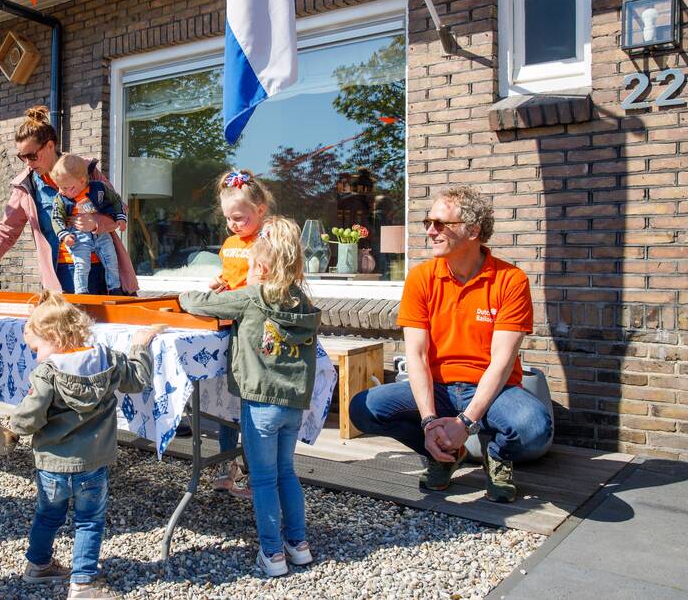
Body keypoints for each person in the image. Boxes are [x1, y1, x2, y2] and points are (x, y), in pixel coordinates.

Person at [349, 186, 552, 503]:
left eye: (441, 223)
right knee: (363, 409)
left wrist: (467, 422)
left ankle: (496, 456)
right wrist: (430, 424)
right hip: (439, 387)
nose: (430, 231)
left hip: (493, 389)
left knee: (534, 428)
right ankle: (444, 452)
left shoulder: (510, 280)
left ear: (473, 230)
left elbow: (500, 363)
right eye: (428, 222)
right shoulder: (421, 278)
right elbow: (415, 356)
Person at [179, 217, 320, 577]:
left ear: (261, 266)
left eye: (251, 266)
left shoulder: (252, 297)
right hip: (293, 404)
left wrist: (187, 294)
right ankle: (298, 545)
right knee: (286, 473)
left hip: (261, 404)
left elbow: (200, 303)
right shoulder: (303, 302)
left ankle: (272, 553)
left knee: (262, 479)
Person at [10, 292, 158, 600]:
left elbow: (26, 420)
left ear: (54, 336)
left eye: (36, 348)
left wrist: (15, 426)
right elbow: (138, 380)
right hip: (93, 462)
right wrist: (140, 346)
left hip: (52, 464)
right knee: (89, 521)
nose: (36, 356)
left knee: (47, 515)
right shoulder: (109, 359)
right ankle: (82, 583)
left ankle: (38, 564)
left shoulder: (46, 373)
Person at [0, 106, 137, 295]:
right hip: (64, 276)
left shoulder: (85, 169)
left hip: (106, 271)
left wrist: (97, 223)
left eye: (32, 155)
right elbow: (5, 233)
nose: (28, 162)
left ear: (50, 145)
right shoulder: (26, 186)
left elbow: (120, 209)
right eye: (22, 157)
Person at [208, 169, 274, 499]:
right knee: (226, 399)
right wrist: (221, 284)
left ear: (260, 209)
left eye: (240, 217)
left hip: (255, 326)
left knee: (250, 399)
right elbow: (230, 276)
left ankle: (253, 471)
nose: (233, 224)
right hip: (230, 323)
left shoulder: (268, 241)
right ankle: (225, 466)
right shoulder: (231, 243)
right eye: (229, 219)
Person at [50, 154, 129, 295]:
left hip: (100, 232)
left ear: (82, 181)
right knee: (81, 264)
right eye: (59, 187)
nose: (61, 191)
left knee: (111, 258)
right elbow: (56, 217)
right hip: (77, 235)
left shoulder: (99, 189)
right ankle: (81, 292)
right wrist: (65, 235)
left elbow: (116, 200)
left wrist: (120, 218)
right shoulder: (60, 198)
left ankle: (114, 288)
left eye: (66, 187)